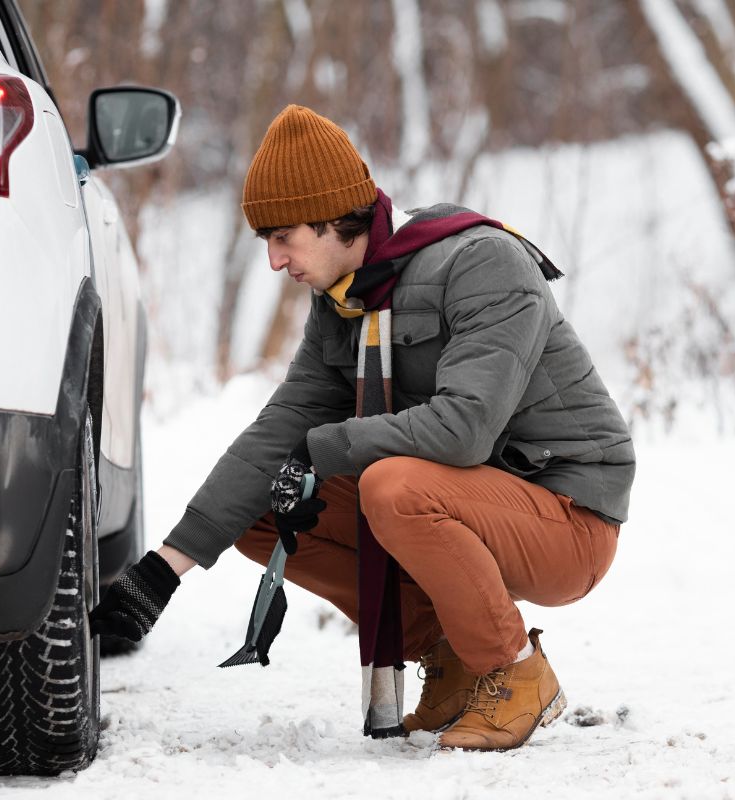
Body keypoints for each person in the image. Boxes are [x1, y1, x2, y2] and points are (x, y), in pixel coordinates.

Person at [90, 105, 635, 752]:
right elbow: (281, 430)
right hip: (471, 499)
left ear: (332, 218)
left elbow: (464, 431)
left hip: (567, 516)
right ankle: (451, 657)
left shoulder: (481, 263)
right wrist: (163, 570)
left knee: (393, 486)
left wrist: (327, 447)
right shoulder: (345, 300)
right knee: (271, 510)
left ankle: (513, 670)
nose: (273, 260)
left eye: (283, 236)